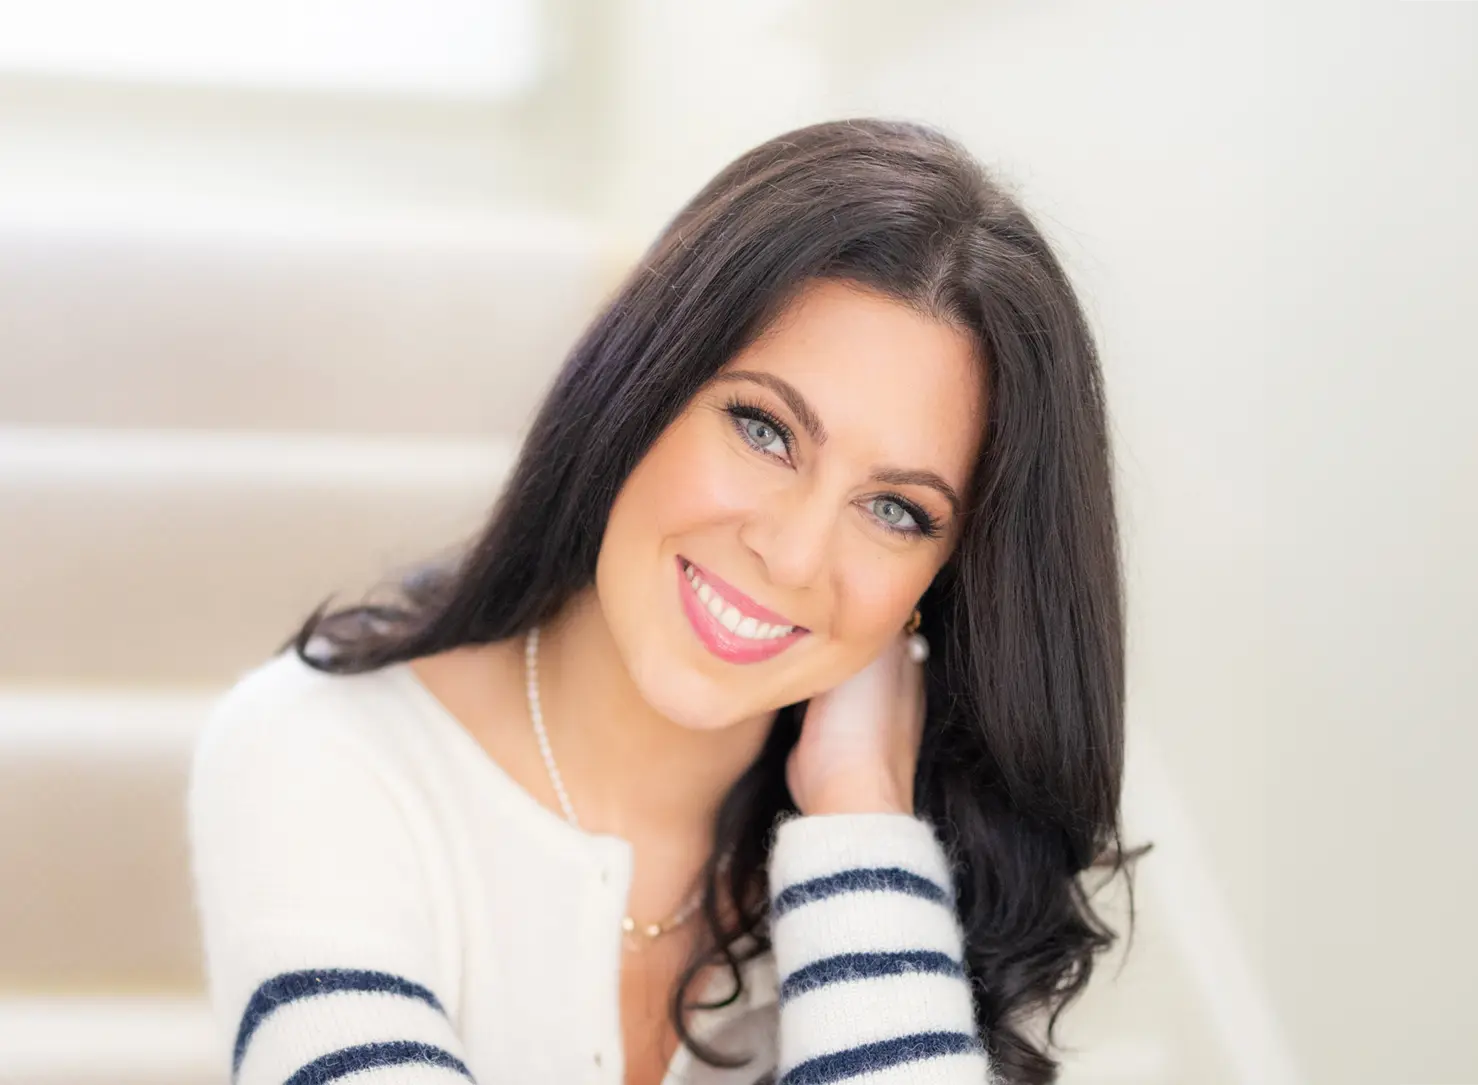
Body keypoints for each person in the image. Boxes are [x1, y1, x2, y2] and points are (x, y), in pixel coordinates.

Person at [187, 118, 1130, 1085]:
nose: (795, 553)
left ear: (944, 576)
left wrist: (860, 818)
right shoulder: (319, 752)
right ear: (640, 394)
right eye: (763, 429)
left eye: (895, 509)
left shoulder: (922, 862)